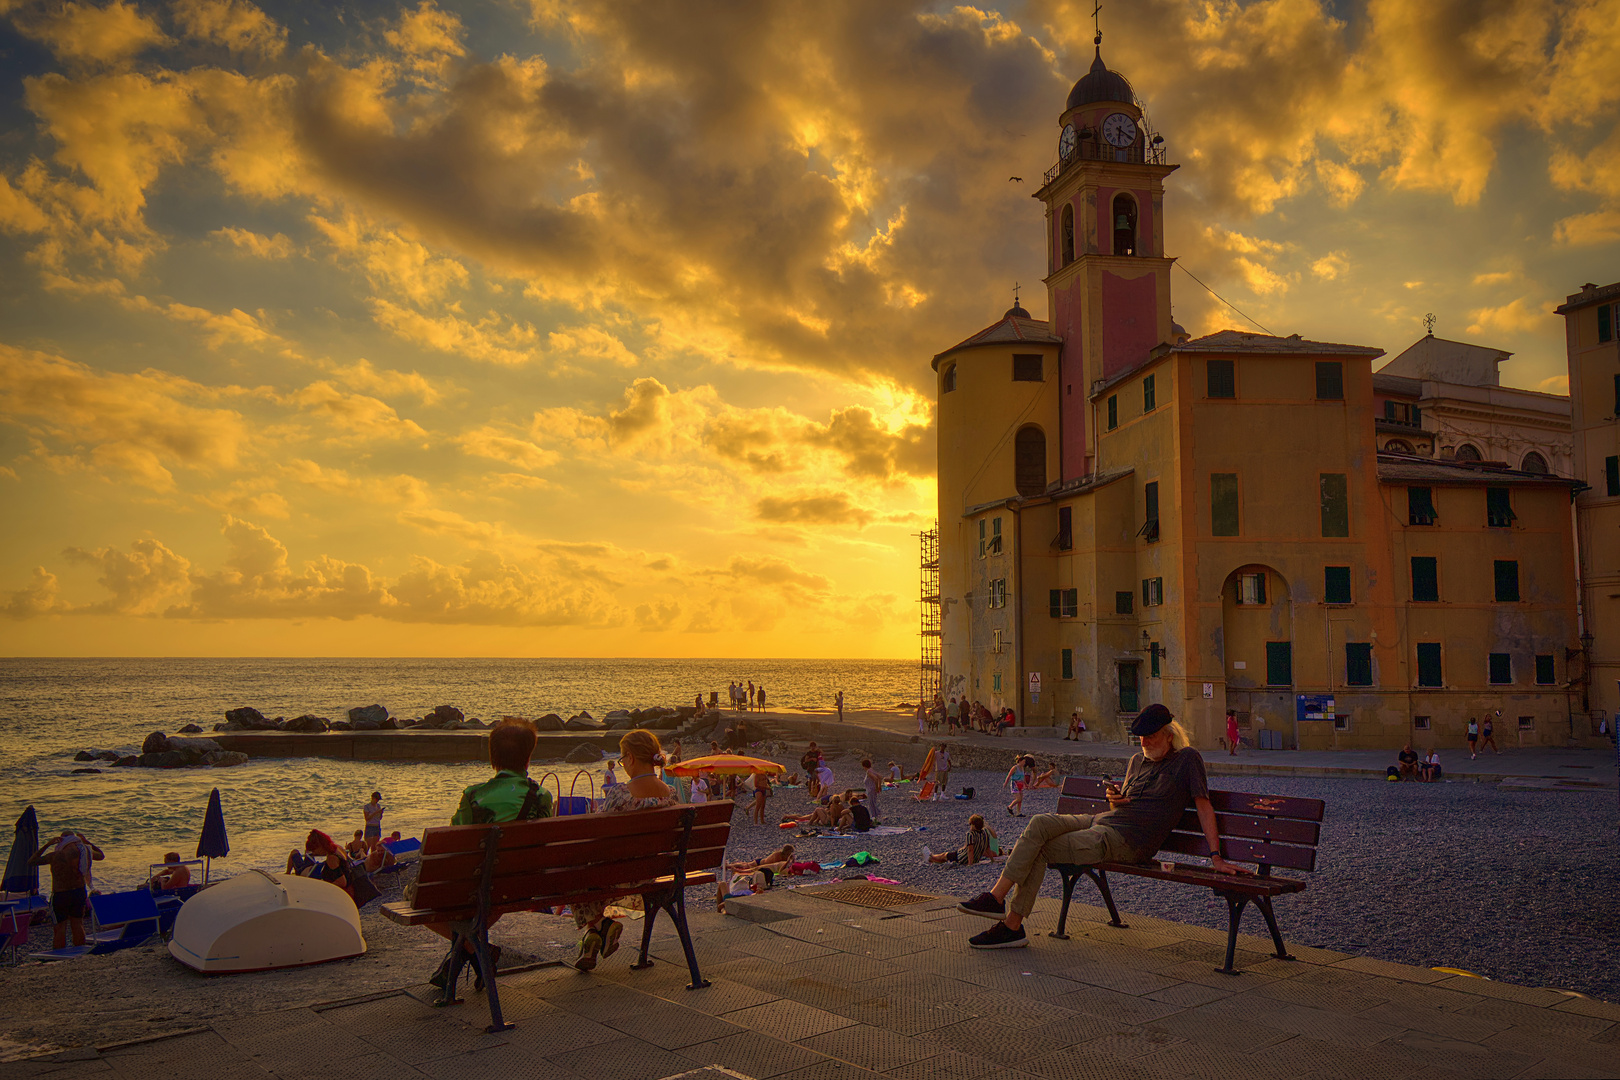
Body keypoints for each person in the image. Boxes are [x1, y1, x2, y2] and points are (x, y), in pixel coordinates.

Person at [956, 704, 1244, 950]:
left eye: (1151, 737)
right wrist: (1116, 799)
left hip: (1128, 842)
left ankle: (1012, 926)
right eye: (1141, 738)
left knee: (1041, 849)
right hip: (1103, 822)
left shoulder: (1187, 760)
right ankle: (996, 899)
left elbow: (1204, 805)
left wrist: (1216, 857)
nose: (1144, 743)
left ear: (1169, 736)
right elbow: (1119, 809)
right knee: (1039, 822)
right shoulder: (1136, 761)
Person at [423, 717, 552, 988]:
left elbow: (453, 843)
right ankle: (479, 950)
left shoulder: (474, 795)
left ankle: (474, 948)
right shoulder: (542, 796)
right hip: (522, 884)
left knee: (416, 896)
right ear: (528, 758)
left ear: (492, 759)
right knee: (494, 891)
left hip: (479, 885)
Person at [573, 729, 675, 972]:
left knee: (572, 871)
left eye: (621, 759)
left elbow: (594, 835)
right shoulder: (671, 795)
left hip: (616, 877)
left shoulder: (619, 794)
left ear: (629, 758)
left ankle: (598, 927)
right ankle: (596, 932)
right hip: (652, 872)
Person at [30, 831, 105, 949]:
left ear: (62, 840)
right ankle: (80, 952)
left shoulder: (56, 855)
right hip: (78, 892)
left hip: (60, 894)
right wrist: (86, 842)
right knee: (78, 924)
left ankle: (60, 955)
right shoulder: (85, 852)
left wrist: (47, 844)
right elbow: (101, 855)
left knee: (60, 927)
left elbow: (32, 861)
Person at [923, 815, 997, 865]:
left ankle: (930, 857)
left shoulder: (970, 834)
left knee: (944, 856)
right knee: (945, 857)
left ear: (973, 825)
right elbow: (987, 848)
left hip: (963, 857)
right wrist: (992, 860)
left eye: (970, 824)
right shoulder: (984, 833)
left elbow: (970, 850)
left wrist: (970, 864)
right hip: (976, 859)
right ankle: (931, 858)